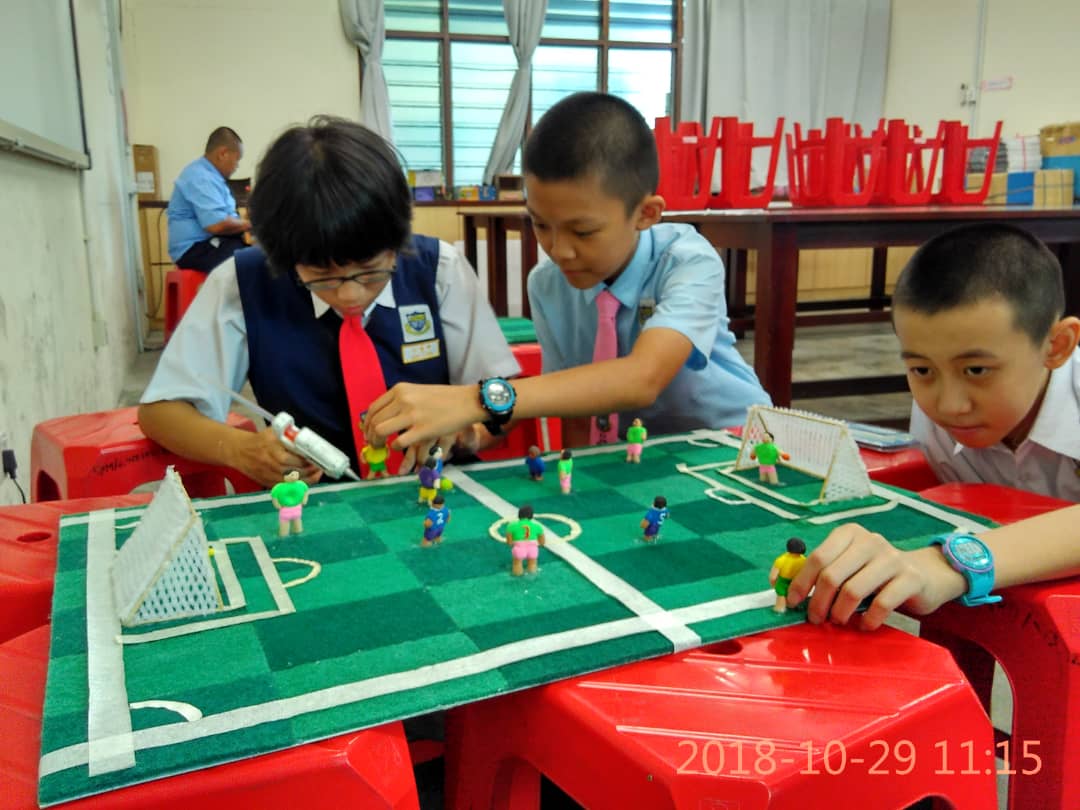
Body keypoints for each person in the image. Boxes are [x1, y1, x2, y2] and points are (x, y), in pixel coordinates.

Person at [362, 92, 769, 452]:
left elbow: (643, 377)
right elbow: (573, 402)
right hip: (639, 454)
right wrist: (476, 434)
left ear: (646, 213)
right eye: (540, 224)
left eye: (583, 231)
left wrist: (478, 399)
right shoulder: (547, 284)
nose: (559, 250)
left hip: (732, 444)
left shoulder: (687, 261)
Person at [139, 116, 519, 488]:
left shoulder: (439, 270)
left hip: (435, 489)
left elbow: (505, 400)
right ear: (284, 255)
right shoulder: (243, 282)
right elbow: (161, 412)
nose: (350, 295)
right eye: (322, 276)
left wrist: (468, 433)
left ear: (397, 240)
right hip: (312, 501)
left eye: (370, 271)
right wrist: (242, 449)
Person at [785, 223, 1080, 629]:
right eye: (921, 369)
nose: (949, 405)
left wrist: (952, 562)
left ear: (1056, 346)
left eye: (977, 370)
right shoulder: (938, 417)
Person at [167, 127, 252, 273]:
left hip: (210, 244)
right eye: (237, 160)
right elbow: (216, 224)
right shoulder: (201, 176)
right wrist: (251, 224)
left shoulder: (213, 177)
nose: (236, 166)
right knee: (254, 261)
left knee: (259, 254)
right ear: (223, 154)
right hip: (195, 249)